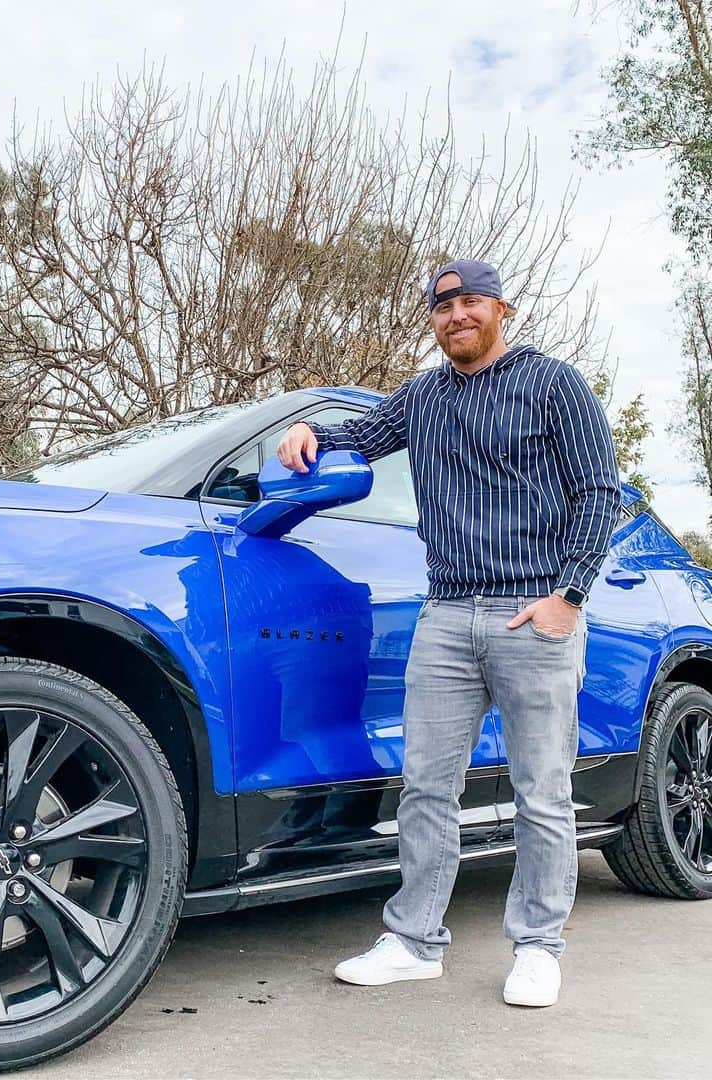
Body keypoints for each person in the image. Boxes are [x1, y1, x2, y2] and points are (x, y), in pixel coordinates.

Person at [276, 259, 621, 1008]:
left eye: (470, 301)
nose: (455, 314)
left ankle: (537, 947)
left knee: (541, 793)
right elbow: (359, 436)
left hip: (533, 611)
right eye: (442, 305)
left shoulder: (553, 383)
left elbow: (601, 490)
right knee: (426, 786)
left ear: (502, 308)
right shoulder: (423, 397)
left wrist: (567, 596)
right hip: (446, 614)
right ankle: (413, 941)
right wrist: (308, 430)